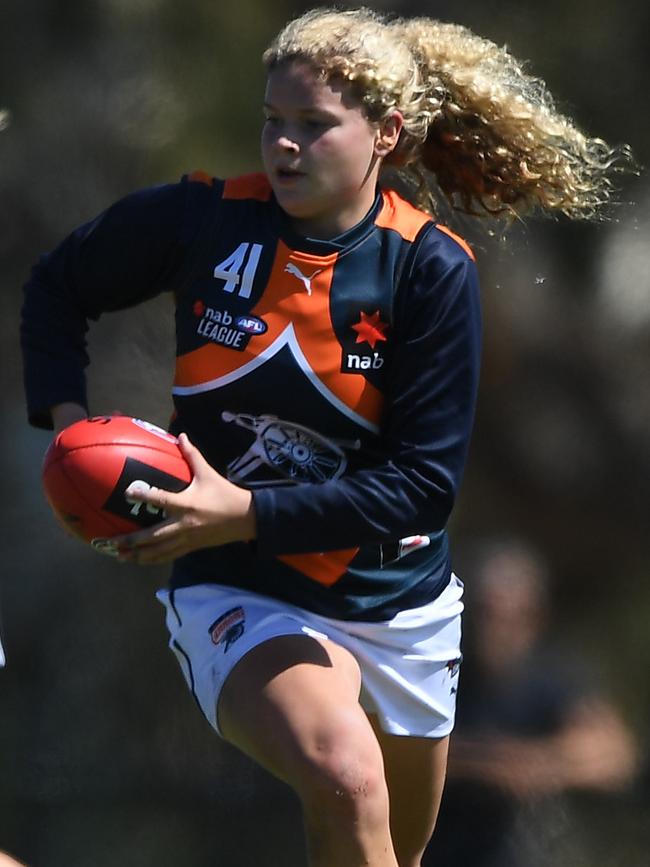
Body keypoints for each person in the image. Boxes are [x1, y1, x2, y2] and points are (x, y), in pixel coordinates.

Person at [20, 8, 632, 867]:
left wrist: (243, 509)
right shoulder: (205, 221)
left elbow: (421, 488)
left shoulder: (428, 269)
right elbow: (57, 288)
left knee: (392, 846)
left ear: (385, 133)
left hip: (399, 606)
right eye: (274, 120)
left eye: (314, 125)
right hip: (242, 586)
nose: (285, 145)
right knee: (345, 776)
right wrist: (75, 433)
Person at [430, 540, 638, 867]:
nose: (499, 627)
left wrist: (538, 765)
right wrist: (490, 768)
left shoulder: (554, 675)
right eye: (489, 613)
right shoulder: (445, 669)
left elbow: (614, 755)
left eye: (516, 614)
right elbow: (406, 749)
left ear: (537, 616)